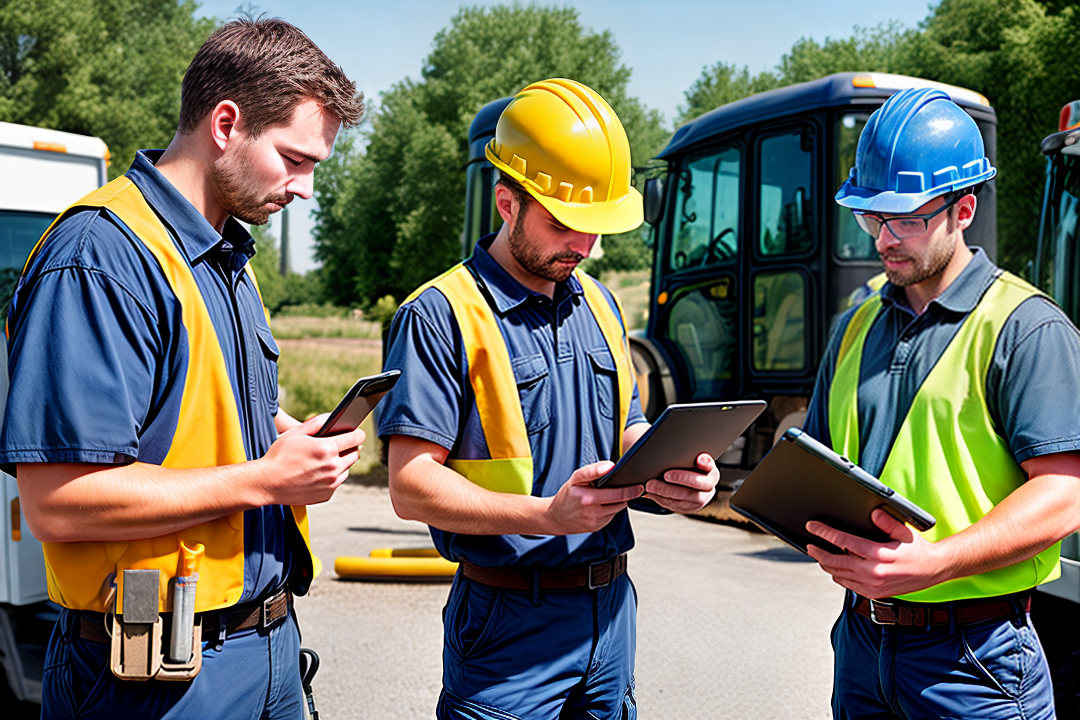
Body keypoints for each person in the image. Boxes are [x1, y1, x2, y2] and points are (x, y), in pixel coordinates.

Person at [0, 18, 365, 720]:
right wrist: (268, 481)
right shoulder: (100, 257)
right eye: (295, 159)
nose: (306, 188)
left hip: (265, 649)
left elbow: (209, 415)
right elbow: (58, 499)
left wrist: (295, 437)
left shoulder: (227, 255)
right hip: (153, 675)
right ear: (226, 123)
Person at [378, 78, 720, 719]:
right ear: (506, 202)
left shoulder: (601, 303)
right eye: (565, 224)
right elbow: (409, 485)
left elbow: (627, 427)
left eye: (596, 229)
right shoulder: (441, 314)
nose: (583, 247)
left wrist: (669, 470)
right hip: (508, 620)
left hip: (611, 609)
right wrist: (545, 516)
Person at [802, 87, 1080, 719]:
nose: (884, 239)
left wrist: (936, 562)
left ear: (964, 210)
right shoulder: (854, 328)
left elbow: (1067, 494)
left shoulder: (1026, 327)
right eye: (872, 219)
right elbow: (819, 463)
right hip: (862, 644)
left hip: (976, 656)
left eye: (905, 220)